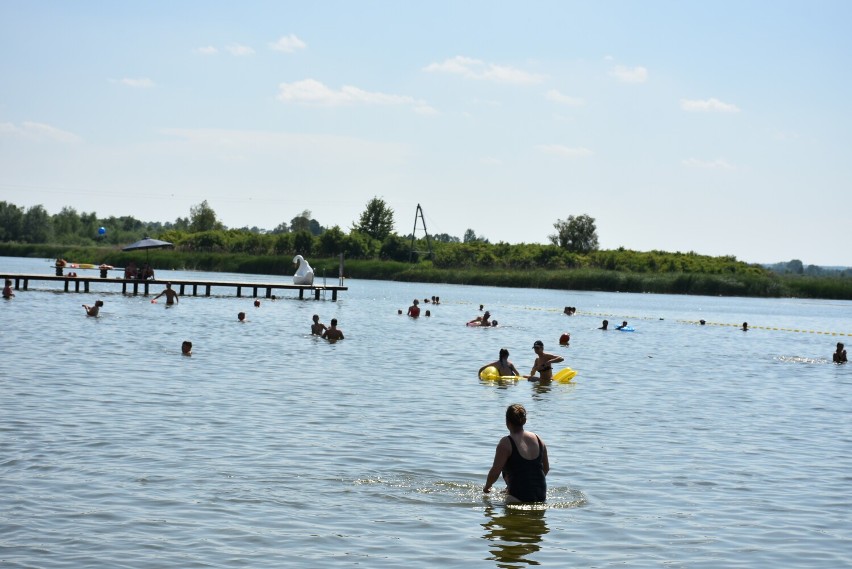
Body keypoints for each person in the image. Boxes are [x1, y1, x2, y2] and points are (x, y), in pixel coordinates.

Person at [484, 404, 549, 503]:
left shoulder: (506, 443)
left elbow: (495, 472)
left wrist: (487, 487)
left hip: (518, 497)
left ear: (507, 422)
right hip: (541, 495)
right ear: (525, 421)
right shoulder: (538, 439)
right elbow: (546, 468)